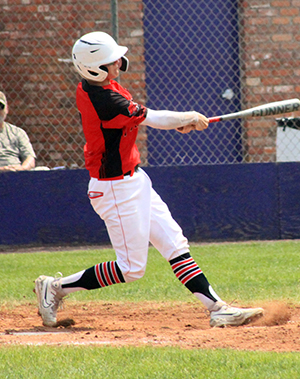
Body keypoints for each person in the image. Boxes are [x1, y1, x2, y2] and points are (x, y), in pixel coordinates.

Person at [34, 31, 263, 328]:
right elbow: (152, 118)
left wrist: (182, 123)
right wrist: (188, 117)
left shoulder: (102, 86)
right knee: (131, 269)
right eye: (110, 61)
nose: (118, 63)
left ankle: (217, 308)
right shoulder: (105, 99)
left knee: (175, 244)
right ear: (95, 68)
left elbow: (137, 121)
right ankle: (55, 287)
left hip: (135, 180)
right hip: (114, 188)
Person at [0, 91, 36, 172]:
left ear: (7, 109)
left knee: (44, 170)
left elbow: (30, 158)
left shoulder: (17, 132)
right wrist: (2, 170)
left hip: (16, 175)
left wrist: (22, 168)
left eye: (0, 107)